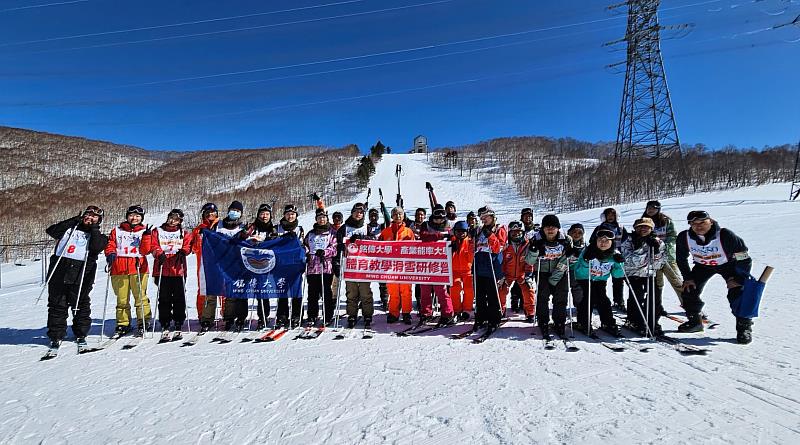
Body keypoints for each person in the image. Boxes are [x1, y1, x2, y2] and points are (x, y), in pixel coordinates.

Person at [675, 211, 753, 344]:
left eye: (702, 222)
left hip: (728, 265)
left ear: (710, 221)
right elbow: (681, 259)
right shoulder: (685, 237)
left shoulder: (725, 235)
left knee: (738, 293)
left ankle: (744, 328)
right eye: (694, 223)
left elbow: (744, 257)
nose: (698, 226)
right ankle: (695, 322)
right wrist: (687, 277)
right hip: (703, 266)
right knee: (688, 290)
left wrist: (739, 279)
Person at [44, 206, 108, 349]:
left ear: (99, 220)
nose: (90, 218)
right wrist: (74, 220)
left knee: (80, 304)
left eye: (94, 217)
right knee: (57, 305)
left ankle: (81, 332)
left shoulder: (99, 236)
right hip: (59, 272)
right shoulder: (69, 229)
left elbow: (96, 247)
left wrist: (94, 228)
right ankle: (56, 334)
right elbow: (51, 231)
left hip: (81, 275)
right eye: (88, 214)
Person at [105, 205, 153, 337]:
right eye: (131, 215)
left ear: (141, 218)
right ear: (127, 216)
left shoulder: (145, 230)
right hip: (119, 268)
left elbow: (145, 250)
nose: (134, 218)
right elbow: (110, 244)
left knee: (140, 297)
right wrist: (110, 253)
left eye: (137, 216)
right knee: (122, 298)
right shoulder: (117, 230)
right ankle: (123, 323)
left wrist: (147, 236)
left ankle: (143, 320)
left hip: (138, 267)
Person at [525, 214, 573, 338]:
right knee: (542, 298)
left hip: (560, 271)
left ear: (558, 228)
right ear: (543, 229)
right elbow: (529, 261)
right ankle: (543, 321)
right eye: (547, 227)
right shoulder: (535, 239)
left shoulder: (566, 240)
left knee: (560, 298)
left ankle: (559, 322)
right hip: (542, 271)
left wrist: (555, 277)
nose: (550, 229)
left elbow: (565, 260)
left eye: (553, 227)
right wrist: (534, 250)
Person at [572, 228, 625, 336]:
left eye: (606, 241)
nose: (603, 243)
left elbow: (617, 275)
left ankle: (608, 323)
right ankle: (583, 323)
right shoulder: (588, 251)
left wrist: (619, 264)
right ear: (596, 241)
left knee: (603, 300)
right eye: (600, 240)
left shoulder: (614, 254)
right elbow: (578, 270)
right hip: (585, 279)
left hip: (600, 280)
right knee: (588, 299)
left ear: (612, 242)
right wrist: (586, 261)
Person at [620, 217, 667, 336]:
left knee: (654, 296)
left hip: (649, 273)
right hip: (632, 273)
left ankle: (652, 322)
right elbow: (629, 261)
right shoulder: (628, 241)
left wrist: (655, 252)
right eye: (640, 227)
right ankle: (633, 320)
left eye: (646, 227)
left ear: (651, 228)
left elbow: (659, 263)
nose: (643, 229)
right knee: (637, 295)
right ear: (635, 228)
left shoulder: (658, 242)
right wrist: (640, 248)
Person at [150, 209, 190, 338]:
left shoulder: (183, 232)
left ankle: (179, 319)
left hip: (178, 268)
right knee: (164, 297)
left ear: (180, 222)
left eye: (176, 219)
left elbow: (188, 245)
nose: (173, 221)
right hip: (162, 267)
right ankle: (164, 320)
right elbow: (153, 244)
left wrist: (183, 251)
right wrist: (158, 253)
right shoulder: (158, 231)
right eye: (171, 218)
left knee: (179, 296)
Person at [239, 203, 278, 329]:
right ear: (258, 214)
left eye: (267, 214)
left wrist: (264, 242)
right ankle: (241, 316)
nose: (264, 216)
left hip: (264, 264)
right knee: (243, 289)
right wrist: (247, 236)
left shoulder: (272, 228)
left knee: (262, 290)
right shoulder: (252, 226)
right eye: (262, 213)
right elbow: (242, 238)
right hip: (248, 262)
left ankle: (263, 317)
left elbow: (275, 243)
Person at [642, 200, 683, 312]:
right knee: (657, 283)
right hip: (652, 258)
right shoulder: (643, 222)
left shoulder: (666, 221)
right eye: (649, 208)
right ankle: (657, 306)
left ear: (658, 209)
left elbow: (672, 236)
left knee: (677, 281)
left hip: (667, 256)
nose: (651, 210)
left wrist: (664, 247)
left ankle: (689, 306)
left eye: (654, 208)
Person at [417, 207, 456, 325]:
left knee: (441, 290)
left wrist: (452, 242)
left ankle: (448, 313)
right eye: (436, 218)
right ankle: (426, 313)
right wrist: (438, 236)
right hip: (426, 262)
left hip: (441, 264)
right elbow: (424, 236)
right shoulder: (426, 225)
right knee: (425, 289)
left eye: (441, 218)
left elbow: (454, 239)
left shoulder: (449, 226)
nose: (439, 221)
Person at [337, 203, 373, 328]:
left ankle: (367, 314)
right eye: (356, 212)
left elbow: (373, 242)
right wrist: (348, 243)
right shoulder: (344, 227)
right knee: (351, 292)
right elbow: (338, 244)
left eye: (361, 213)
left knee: (365, 292)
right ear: (352, 213)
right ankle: (352, 314)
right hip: (350, 264)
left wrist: (363, 238)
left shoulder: (366, 227)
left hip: (363, 265)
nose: (358, 214)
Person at [380, 206, 417, 324]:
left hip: (405, 266)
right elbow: (378, 248)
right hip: (391, 267)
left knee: (406, 290)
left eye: (400, 214)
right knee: (393, 290)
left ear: (404, 215)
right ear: (391, 216)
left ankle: (406, 313)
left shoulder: (408, 232)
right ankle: (393, 313)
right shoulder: (385, 232)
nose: (398, 216)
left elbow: (415, 248)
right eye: (395, 214)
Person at [473, 206, 506, 330]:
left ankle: (494, 319)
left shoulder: (499, 229)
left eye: (486, 217)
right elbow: (473, 247)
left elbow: (498, 248)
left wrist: (490, 236)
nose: (484, 220)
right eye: (482, 218)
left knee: (493, 295)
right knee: (480, 296)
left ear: (492, 216)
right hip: (480, 266)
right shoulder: (479, 230)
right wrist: (472, 237)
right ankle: (480, 318)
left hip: (493, 266)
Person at [190, 202, 220, 333]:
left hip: (221, 262)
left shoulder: (222, 226)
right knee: (204, 289)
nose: (210, 215)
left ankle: (227, 314)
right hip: (203, 264)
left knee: (223, 289)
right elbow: (194, 249)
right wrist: (198, 236)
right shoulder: (199, 229)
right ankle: (203, 316)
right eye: (208, 213)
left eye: (213, 213)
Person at [304, 209, 337, 326]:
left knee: (326, 292)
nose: (321, 219)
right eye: (319, 217)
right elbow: (305, 245)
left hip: (325, 267)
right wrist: (307, 252)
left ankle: (328, 315)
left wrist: (325, 252)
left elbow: (335, 248)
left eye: (323, 217)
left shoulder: (332, 233)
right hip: (312, 267)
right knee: (312, 293)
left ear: (327, 219)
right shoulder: (311, 233)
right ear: (316, 219)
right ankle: (312, 315)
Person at [590, 208, 627, 311]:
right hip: (601, 256)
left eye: (612, 215)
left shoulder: (621, 227)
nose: (610, 217)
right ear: (604, 217)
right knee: (600, 279)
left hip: (616, 256)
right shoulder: (599, 227)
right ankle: (598, 300)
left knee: (618, 280)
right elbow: (592, 240)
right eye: (608, 215)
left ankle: (618, 300)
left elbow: (626, 240)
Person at [499, 221, 536, 322]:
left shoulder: (527, 245)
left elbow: (530, 261)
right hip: (508, 273)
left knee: (529, 290)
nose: (516, 235)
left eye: (519, 233)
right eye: (513, 233)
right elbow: (501, 261)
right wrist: (502, 275)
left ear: (523, 233)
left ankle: (530, 313)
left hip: (522, 273)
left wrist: (528, 274)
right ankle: (500, 311)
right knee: (501, 290)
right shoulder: (506, 245)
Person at [275, 204, 305, 328]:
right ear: (284, 215)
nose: (290, 216)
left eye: (292, 214)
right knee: (282, 290)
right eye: (288, 214)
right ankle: (282, 316)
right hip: (280, 264)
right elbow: (272, 243)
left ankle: (297, 315)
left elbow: (303, 246)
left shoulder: (299, 229)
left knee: (296, 291)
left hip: (294, 264)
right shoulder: (277, 228)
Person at [450, 221, 475, 321]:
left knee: (469, 289)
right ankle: (457, 309)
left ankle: (467, 309)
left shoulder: (470, 242)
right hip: (454, 269)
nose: (461, 234)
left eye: (463, 231)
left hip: (467, 270)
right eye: (458, 231)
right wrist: (451, 249)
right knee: (454, 289)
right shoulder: (451, 241)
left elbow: (471, 257)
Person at [367, 208, 389, 310]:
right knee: (366, 281)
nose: (373, 217)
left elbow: (388, 221)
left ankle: (384, 300)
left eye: (375, 215)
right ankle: (364, 300)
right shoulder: (366, 227)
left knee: (383, 281)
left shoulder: (382, 226)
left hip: (381, 257)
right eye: (371, 215)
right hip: (368, 258)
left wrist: (384, 209)